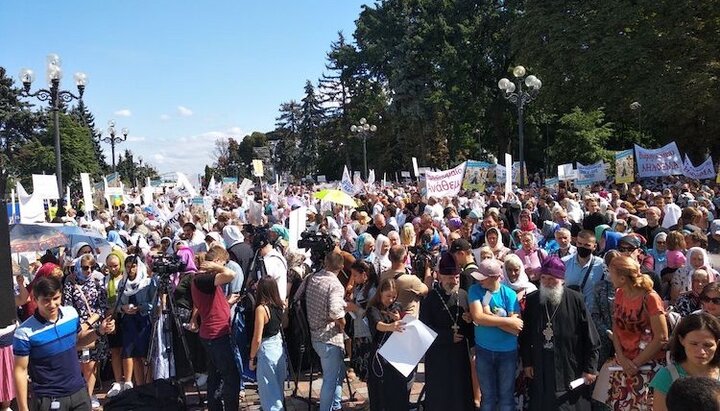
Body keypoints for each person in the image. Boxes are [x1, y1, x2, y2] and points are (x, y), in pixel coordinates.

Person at [13, 276, 115, 411]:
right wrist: (23, 408)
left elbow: (78, 340)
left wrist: (100, 330)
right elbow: (20, 370)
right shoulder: (23, 332)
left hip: (79, 392)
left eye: (56, 298)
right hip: (49, 398)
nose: (52, 304)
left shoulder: (71, 314)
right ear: (35, 300)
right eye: (46, 300)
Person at [520, 255, 600, 411]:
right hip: (541, 363)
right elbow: (526, 335)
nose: (547, 283)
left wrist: (590, 368)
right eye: (544, 278)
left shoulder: (576, 300)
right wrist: (527, 362)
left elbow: (591, 337)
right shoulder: (532, 300)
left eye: (552, 279)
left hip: (569, 363)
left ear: (562, 280)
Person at [594, 256, 668, 409]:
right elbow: (616, 326)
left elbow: (661, 337)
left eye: (611, 273)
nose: (608, 276)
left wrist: (635, 364)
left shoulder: (650, 298)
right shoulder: (620, 293)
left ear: (622, 278)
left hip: (647, 366)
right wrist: (621, 357)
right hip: (624, 364)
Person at [420, 252, 475, 411]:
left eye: (457, 277)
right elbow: (424, 329)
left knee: (460, 390)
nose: (454, 281)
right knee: (441, 393)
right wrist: (447, 337)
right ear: (440, 276)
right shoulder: (430, 299)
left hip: (459, 354)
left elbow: (470, 330)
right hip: (438, 355)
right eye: (451, 278)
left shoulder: (463, 295)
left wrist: (469, 321)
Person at [469, 258, 523, 411]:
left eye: (483, 278)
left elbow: (516, 329)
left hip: (507, 352)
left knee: (506, 398)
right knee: (488, 398)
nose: (479, 282)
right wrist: (507, 321)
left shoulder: (510, 294)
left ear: (494, 277)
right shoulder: (475, 290)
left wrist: (488, 317)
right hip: (484, 350)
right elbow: (478, 317)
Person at [189, 255, 241, 411]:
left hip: (213, 333)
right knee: (231, 376)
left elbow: (206, 304)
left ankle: (215, 407)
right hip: (216, 335)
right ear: (216, 260)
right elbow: (231, 275)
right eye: (223, 262)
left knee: (216, 375)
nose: (225, 265)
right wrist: (217, 267)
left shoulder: (202, 281)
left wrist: (226, 302)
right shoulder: (202, 279)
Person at [62, 255, 108, 409]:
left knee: (91, 364)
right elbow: (67, 306)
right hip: (77, 328)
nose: (88, 271)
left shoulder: (97, 283)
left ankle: (87, 397)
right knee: (80, 364)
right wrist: (79, 324)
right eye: (85, 267)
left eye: (91, 267)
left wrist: (89, 322)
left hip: (94, 327)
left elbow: (102, 306)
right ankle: (81, 395)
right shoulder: (70, 283)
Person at [650, 312, 720, 411]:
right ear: (681, 340)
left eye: (707, 345)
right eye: (694, 344)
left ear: (717, 344)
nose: (701, 351)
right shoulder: (667, 376)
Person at [304, 252, 347, 411]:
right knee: (330, 380)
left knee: (337, 374)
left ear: (325, 263)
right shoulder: (335, 285)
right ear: (341, 267)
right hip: (329, 338)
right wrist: (343, 322)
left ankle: (335, 405)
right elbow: (336, 311)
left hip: (314, 335)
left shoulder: (311, 278)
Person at [366, 278, 409, 410]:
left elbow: (405, 324)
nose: (390, 300)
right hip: (380, 354)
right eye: (387, 296)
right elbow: (378, 325)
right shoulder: (373, 308)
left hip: (396, 353)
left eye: (393, 296)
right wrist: (391, 326)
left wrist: (399, 319)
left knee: (397, 389)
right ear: (380, 293)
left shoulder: (396, 306)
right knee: (380, 390)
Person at [248, 277, 287, 411]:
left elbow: (257, 338)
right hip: (278, 347)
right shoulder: (280, 305)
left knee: (268, 390)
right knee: (278, 389)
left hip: (267, 349)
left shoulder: (261, 309)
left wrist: (252, 358)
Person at [117, 255, 157, 387]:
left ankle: (148, 385)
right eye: (128, 267)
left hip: (143, 321)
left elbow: (153, 304)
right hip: (129, 322)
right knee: (134, 355)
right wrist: (123, 308)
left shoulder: (147, 282)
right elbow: (118, 304)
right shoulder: (122, 283)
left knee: (145, 355)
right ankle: (140, 385)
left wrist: (139, 307)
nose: (130, 269)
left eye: (133, 266)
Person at [344, 260, 378, 381]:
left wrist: (356, 308)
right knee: (364, 371)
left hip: (367, 333)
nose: (353, 278)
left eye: (355, 275)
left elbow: (372, 313)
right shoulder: (359, 288)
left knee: (369, 370)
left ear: (364, 274)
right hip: (359, 331)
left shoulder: (373, 290)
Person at [104, 250, 130, 397]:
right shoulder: (106, 280)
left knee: (127, 349)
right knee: (115, 349)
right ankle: (118, 380)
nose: (113, 269)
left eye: (115, 266)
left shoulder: (126, 278)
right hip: (111, 316)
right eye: (109, 267)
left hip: (125, 316)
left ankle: (128, 380)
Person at [562, 230, 605, 314]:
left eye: (587, 245)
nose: (582, 247)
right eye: (580, 244)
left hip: (591, 315)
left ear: (594, 246)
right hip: (569, 312)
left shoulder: (602, 265)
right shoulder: (564, 262)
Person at [380, 245, 430, 318]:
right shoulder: (411, 280)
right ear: (405, 258)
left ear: (389, 258)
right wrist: (428, 269)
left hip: (388, 319)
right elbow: (426, 289)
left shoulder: (383, 275)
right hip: (407, 322)